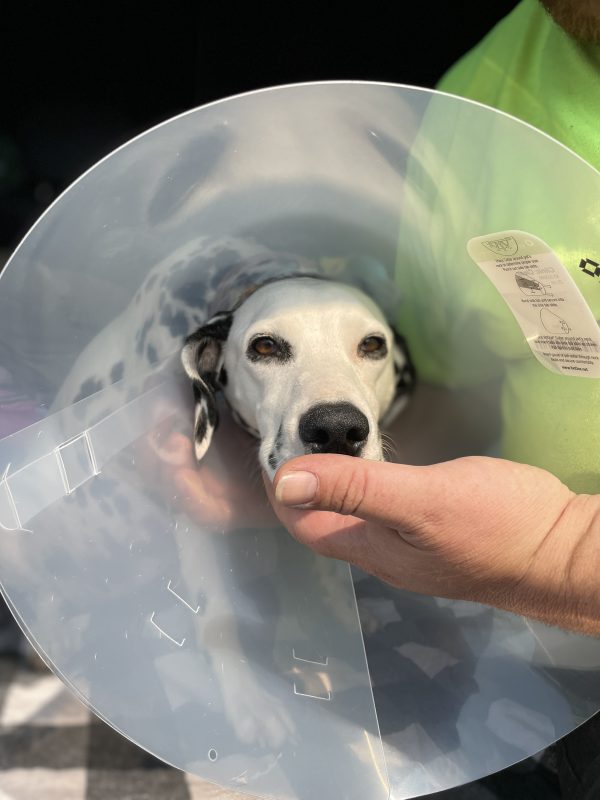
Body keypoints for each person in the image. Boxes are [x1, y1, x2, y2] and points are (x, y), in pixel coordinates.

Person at [268, 1, 600, 797]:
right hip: (539, 642)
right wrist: (261, 459)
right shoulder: (479, 101)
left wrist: (562, 554)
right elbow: (443, 388)